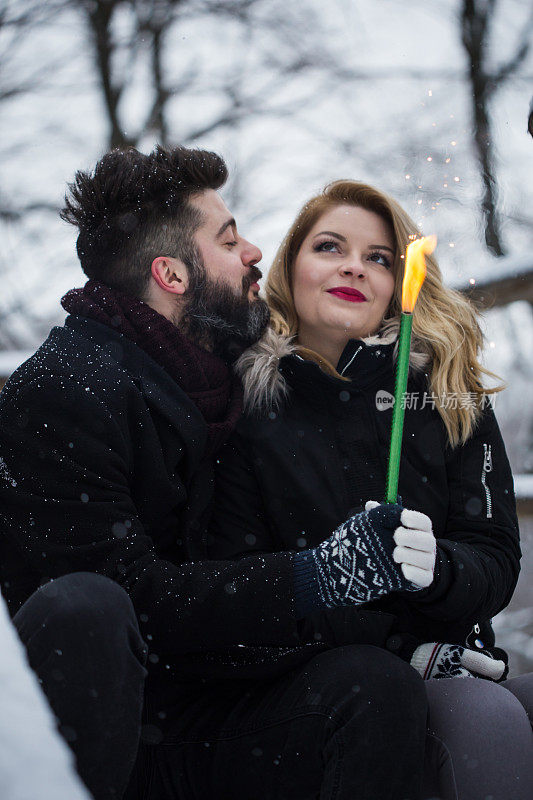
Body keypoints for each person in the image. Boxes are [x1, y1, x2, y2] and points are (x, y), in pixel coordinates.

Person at [0, 151, 429, 800]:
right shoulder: (64, 392)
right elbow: (132, 607)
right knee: (87, 603)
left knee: (369, 684)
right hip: (98, 732)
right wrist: (316, 575)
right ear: (171, 274)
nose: (255, 250)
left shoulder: (238, 385)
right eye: (228, 240)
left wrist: (415, 634)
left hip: (204, 717)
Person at [210, 179, 533, 800]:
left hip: (452, 660)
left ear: (396, 286)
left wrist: (440, 571)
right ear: (291, 269)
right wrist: (393, 641)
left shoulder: (446, 391)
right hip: (319, 687)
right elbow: (235, 578)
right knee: (485, 724)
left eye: (379, 258)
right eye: (330, 247)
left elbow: (494, 556)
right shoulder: (246, 406)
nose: (355, 266)